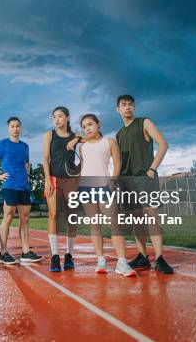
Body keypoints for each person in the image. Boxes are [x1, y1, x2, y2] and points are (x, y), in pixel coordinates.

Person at [68, 114, 136, 276]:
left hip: (105, 187)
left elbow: (118, 163)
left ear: (99, 124)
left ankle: (122, 263)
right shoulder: (82, 147)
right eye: (84, 126)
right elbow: (84, 166)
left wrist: (113, 180)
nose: (87, 128)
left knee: (115, 225)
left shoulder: (110, 142)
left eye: (90, 124)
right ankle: (101, 261)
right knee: (95, 226)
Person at [116, 94, 174, 274]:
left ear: (134, 107)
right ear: (118, 109)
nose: (127, 107)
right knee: (137, 221)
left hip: (144, 177)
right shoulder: (119, 134)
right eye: (124, 105)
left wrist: (152, 169)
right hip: (127, 180)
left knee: (152, 218)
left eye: (131, 105)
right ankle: (142, 256)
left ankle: (159, 258)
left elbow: (163, 144)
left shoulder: (144, 122)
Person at [0, 117, 42, 265]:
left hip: (24, 186)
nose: (15, 128)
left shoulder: (25, 146)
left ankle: (25, 252)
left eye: (18, 126)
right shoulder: (3, 144)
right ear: (8, 129)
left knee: (25, 219)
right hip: (9, 185)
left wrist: (28, 175)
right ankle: (3, 253)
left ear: (21, 128)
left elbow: (27, 162)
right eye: (12, 126)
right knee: (8, 216)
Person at [42, 106, 79, 272]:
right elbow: (45, 158)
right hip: (54, 178)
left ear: (68, 118)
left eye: (60, 116)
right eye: (54, 116)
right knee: (54, 214)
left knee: (71, 216)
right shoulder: (49, 135)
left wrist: (76, 139)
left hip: (71, 180)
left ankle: (69, 254)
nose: (57, 119)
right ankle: (55, 256)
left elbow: (90, 137)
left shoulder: (75, 136)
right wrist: (46, 180)